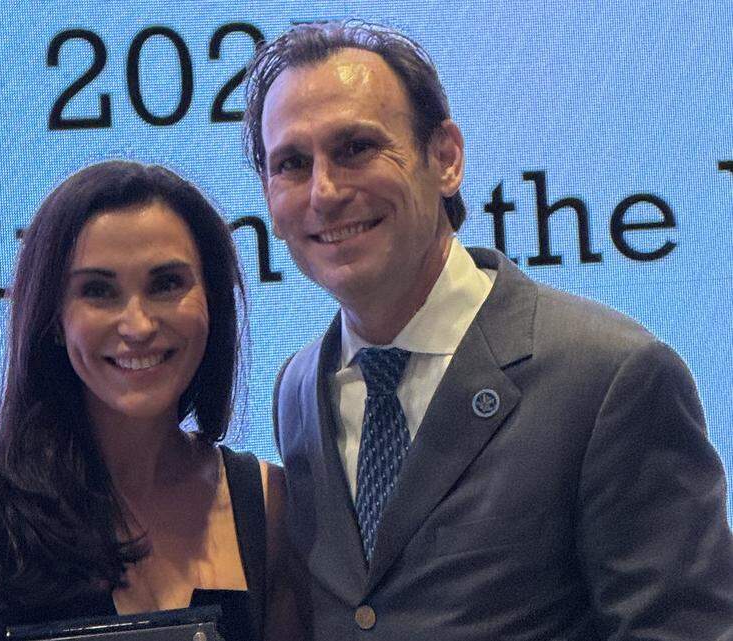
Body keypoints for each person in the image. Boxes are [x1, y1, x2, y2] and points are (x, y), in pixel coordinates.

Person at [242, 19, 733, 640]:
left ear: (446, 158)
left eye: (357, 148)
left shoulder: (612, 376)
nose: (326, 191)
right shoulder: (297, 390)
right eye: (291, 163)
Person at [0, 160, 301, 641]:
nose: (138, 326)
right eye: (98, 291)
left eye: (167, 284)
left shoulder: (265, 504)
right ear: (52, 316)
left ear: (214, 302)